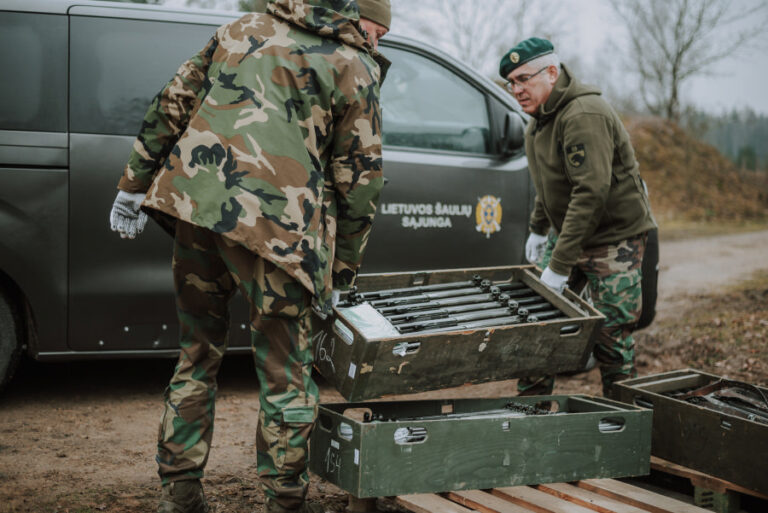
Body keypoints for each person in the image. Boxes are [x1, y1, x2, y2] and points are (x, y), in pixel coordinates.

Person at [108, 1, 390, 512]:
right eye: (378, 31)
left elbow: (172, 102)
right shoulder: (355, 65)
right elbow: (361, 180)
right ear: (357, 18)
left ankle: (180, 493)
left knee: (197, 353)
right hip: (277, 232)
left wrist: (133, 183)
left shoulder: (242, 27)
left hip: (197, 209)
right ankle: (283, 502)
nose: (379, 41)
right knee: (286, 370)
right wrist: (341, 272)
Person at [498, 38, 657, 399]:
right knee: (538, 319)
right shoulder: (538, 123)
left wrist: (559, 264)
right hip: (571, 229)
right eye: (512, 83)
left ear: (552, 73)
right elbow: (550, 186)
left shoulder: (583, 114)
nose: (517, 90)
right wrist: (539, 229)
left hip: (614, 238)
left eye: (524, 79)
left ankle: (622, 419)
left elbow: (591, 192)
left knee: (610, 334)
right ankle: (531, 413)